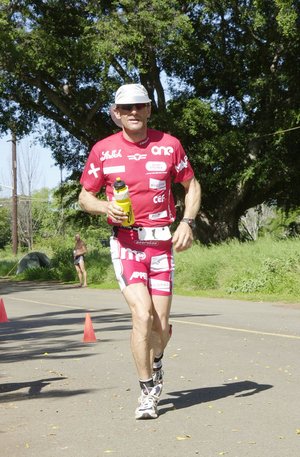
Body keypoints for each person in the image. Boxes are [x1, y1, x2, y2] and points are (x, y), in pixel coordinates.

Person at [79, 83, 201, 419]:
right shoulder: (103, 150)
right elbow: (85, 196)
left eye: (140, 106)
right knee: (142, 315)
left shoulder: (169, 145)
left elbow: (192, 185)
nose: (133, 112)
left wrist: (188, 222)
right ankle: (147, 391)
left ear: (148, 109)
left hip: (162, 248)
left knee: (160, 328)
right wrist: (105, 208)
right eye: (126, 108)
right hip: (127, 245)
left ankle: (157, 360)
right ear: (116, 114)